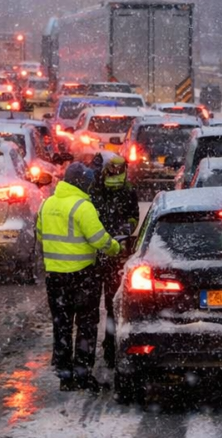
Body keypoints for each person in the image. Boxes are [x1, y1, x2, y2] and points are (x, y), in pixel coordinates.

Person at [36, 162, 121, 391]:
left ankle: (65, 377)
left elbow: (40, 234)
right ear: (81, 182)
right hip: (82, 277)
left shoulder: (47, 204)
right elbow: (99, 239)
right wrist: (115, 248)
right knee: (86, 325)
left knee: (61, 326)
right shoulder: (83, 207)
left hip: (55, 278)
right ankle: (83, 375)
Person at [87, 151, 140, 367]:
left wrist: (127, 227)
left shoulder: (128, 191)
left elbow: (134, 215)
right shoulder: (94, 190)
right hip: (94, 254)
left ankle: (110, 348)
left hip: (114, 254)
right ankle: (91, 351)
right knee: (91, 307)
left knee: (112, 303)